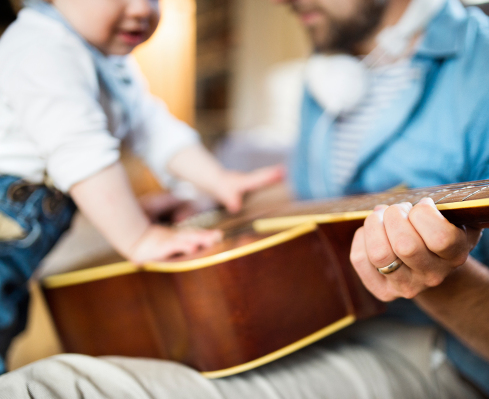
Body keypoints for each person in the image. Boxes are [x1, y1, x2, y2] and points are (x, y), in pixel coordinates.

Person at [0, 0, 489, 398]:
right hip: (299, 322)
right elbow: (328, 206)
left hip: (433, 351)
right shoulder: (332, 66)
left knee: (49, 387)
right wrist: (218, 210)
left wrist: (440, 279)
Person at [0, 0, 283, 374]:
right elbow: (81, 153)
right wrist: (139, 237)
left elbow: (155, 130)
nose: (141, 9)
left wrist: (218, 180)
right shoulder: (41, 48)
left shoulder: (108, 62)